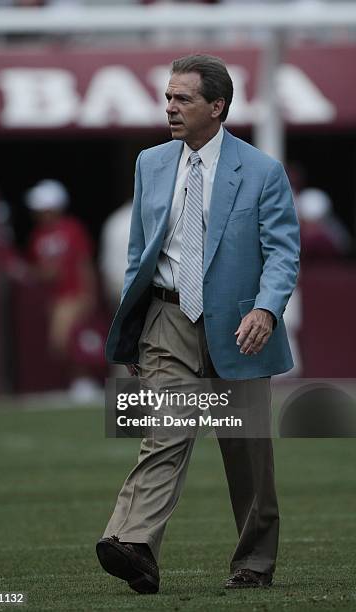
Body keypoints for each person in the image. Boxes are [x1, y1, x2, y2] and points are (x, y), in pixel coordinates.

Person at [96, 54, 300, 593]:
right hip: (167, 317)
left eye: (182, 98)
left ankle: (254, 563)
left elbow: (282, 253)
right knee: (163, 429)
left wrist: (266, 306)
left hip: (240, 325)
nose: (170, 108)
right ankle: (133, 544)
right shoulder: (150, 163)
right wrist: (135, 323)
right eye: (167, 97)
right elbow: (141, 251)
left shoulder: (262, 171)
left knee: (247, 450)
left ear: (218, 106)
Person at [26, 179, 104, 403]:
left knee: (66, 339)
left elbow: (83, 262)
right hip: (54, 297)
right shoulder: (38, 235)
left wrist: (88, 292)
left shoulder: (72, 229)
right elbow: (40, 268)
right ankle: (78, 381)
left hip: (73, 293)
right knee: (62, 341)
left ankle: (84, 380)